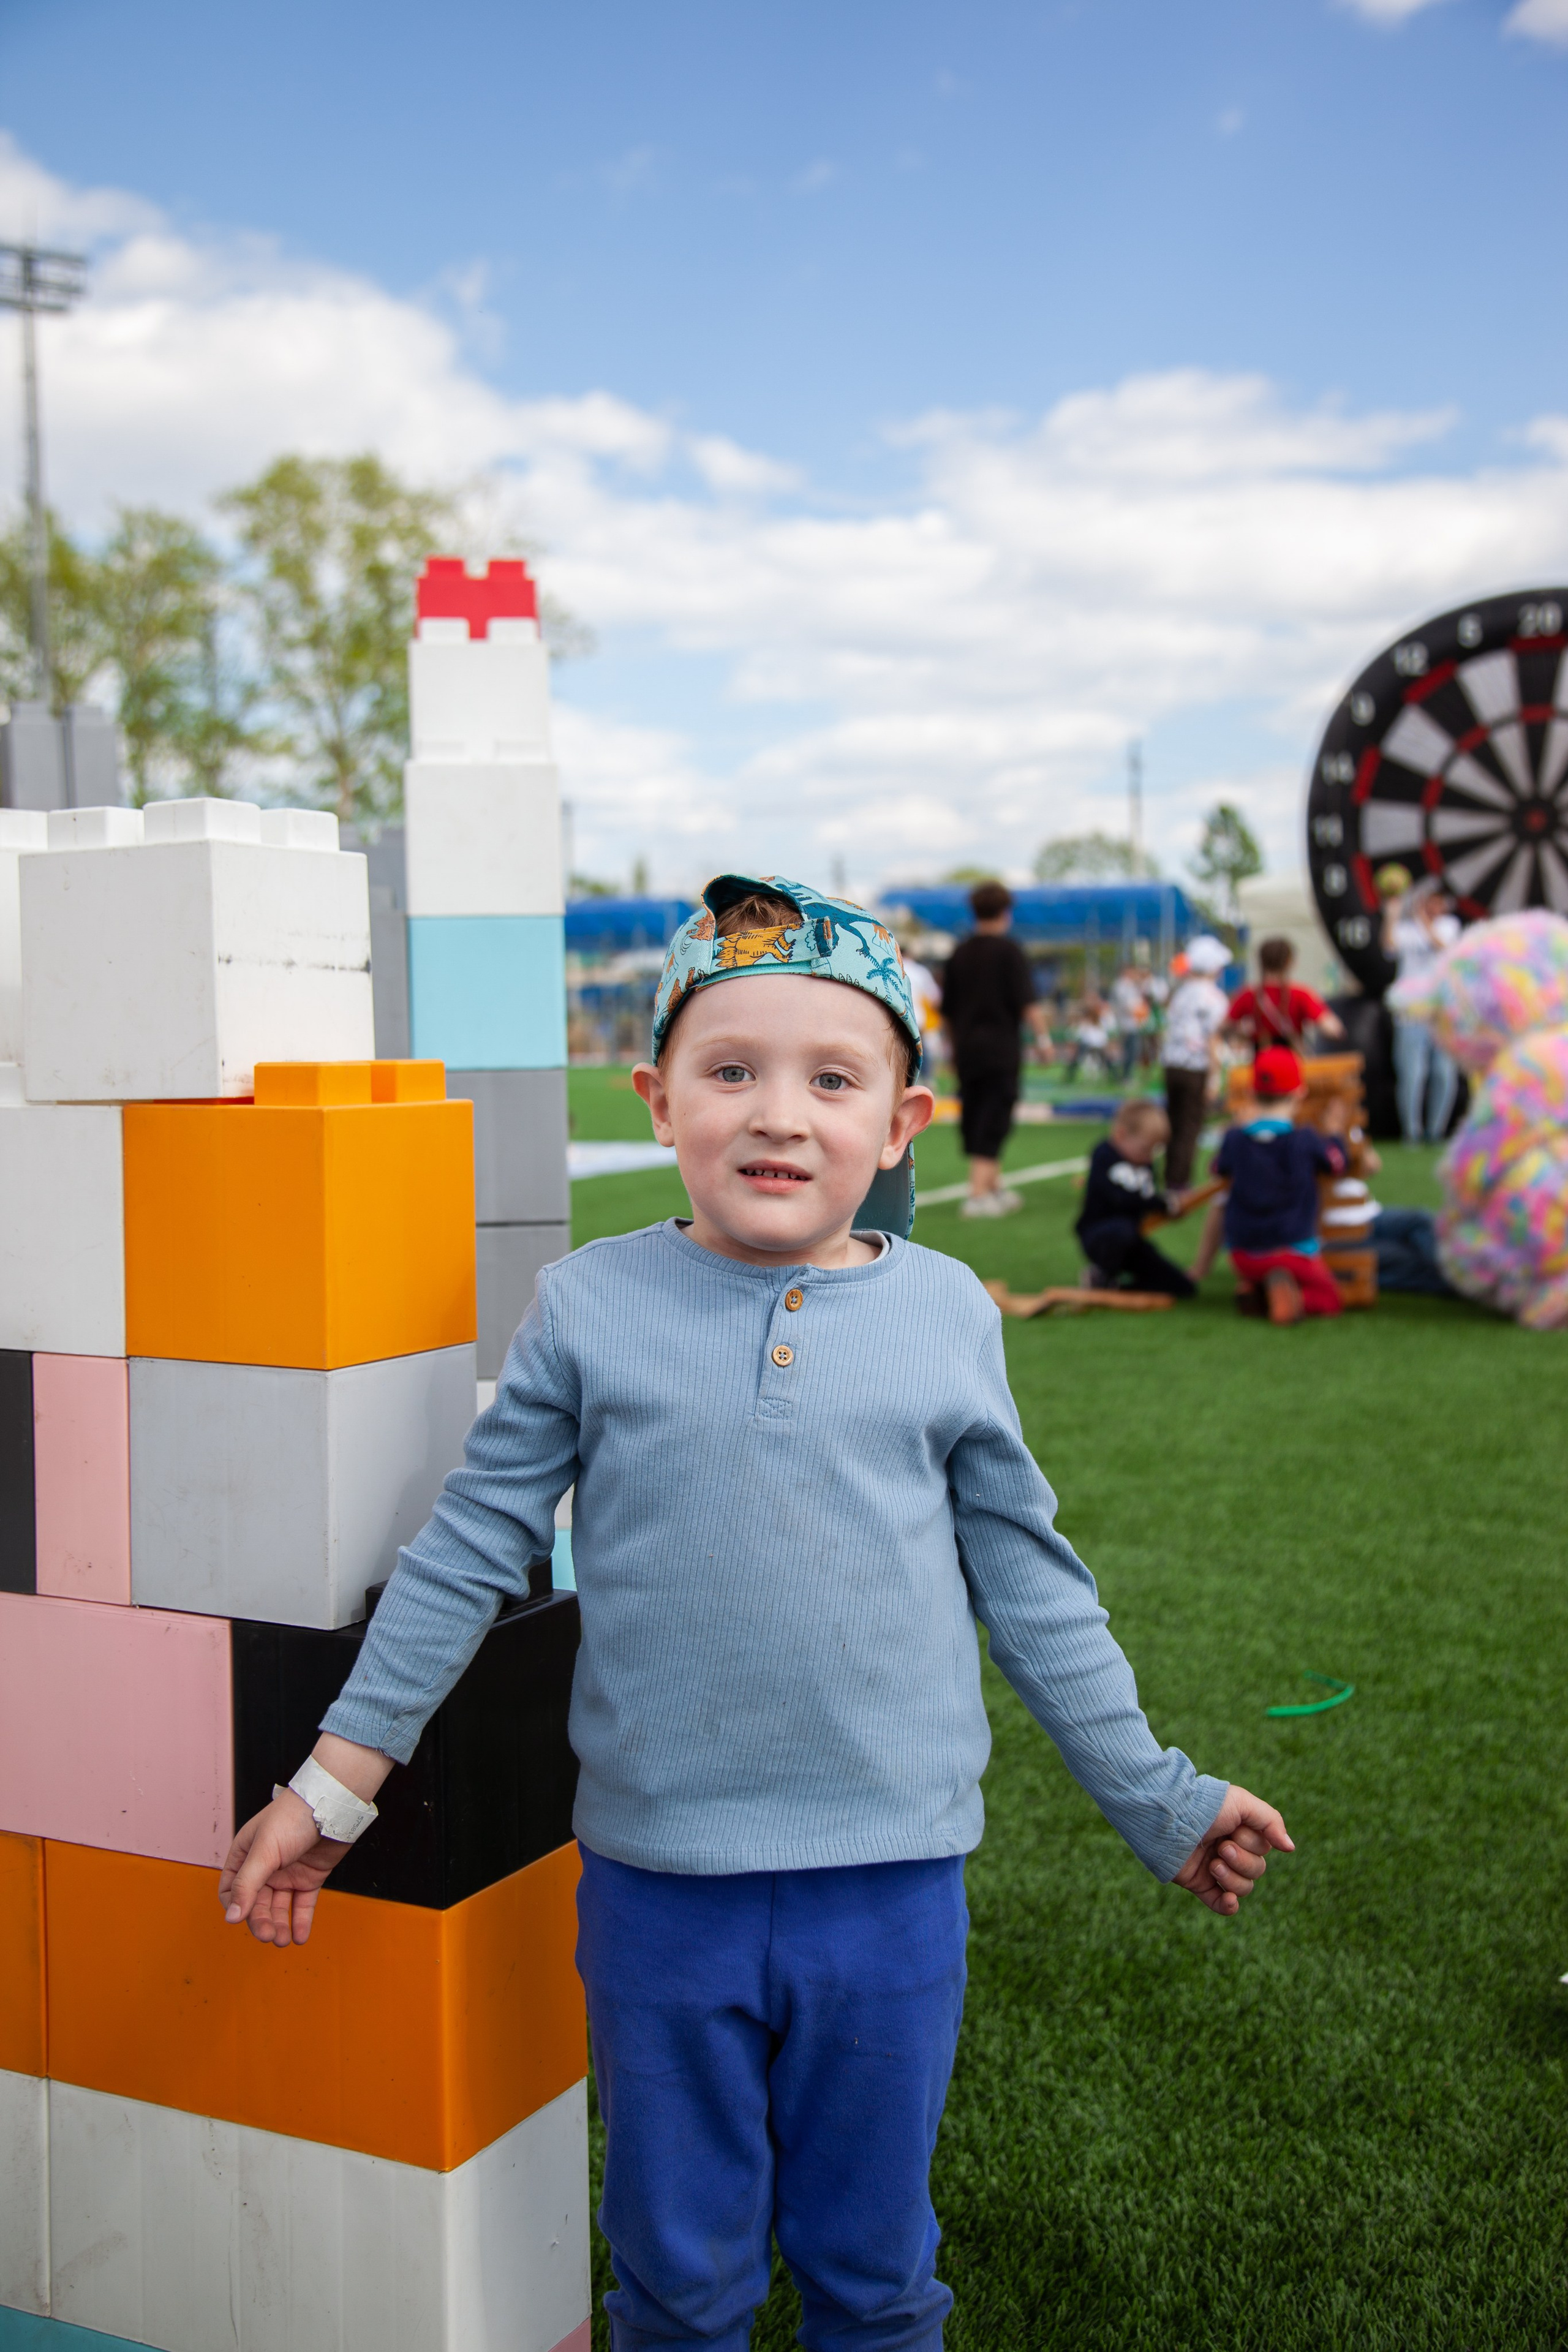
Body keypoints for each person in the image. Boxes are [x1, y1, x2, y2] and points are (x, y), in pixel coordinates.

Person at [218, 870, 1293, 2352]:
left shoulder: (946, 1315)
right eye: (730, 1070)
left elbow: (1031, 1590)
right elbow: (471, 1545)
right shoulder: (590, 1302)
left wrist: (1158, 1798)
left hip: (892, 1890)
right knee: (675, 2275)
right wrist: (331, 1787)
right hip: (661, 1895)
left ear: (901, 1122)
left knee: (873, 2273)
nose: (778, 1114)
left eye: (830, 1077)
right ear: (659, 1099)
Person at [1213, 1046, 1349, 1325]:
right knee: (1330, 1299)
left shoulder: (1235, 1140)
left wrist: (1234, 1128)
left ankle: (1257, 1287)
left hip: (1243, 1255)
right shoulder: (1305, 1140)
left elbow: (1217, 1168)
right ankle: (1278, 1298)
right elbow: (1336, 1166)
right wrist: (1335, 1134)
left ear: (1252, 1094)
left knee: (1263, 1270)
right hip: (1292, 1252)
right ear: (1300, 1093)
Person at [940, 879, 1050, 1219]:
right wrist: (1044, 1041)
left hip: (967, 1050)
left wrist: (951, 1050)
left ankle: (993, 1187)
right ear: (1006, 912)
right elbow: (1028, 1004)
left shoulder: (959, 953)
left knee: (976, 1113)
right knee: (995, 1115)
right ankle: (977, 1193)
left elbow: (947, 1012)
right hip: (1001, 1049)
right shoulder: (1010, 951)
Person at [1075, 1098, 1196, 1297]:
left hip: (1131, 1241)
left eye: (1154, 1151)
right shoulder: (1104, 1155)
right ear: (1121, 1135)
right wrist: (1164, 1204)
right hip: (1100, 1236)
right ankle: (1101, 1274)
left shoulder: (1144, 1163)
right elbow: (1122, 1199)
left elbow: (1146, 1200)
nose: (1149, 1157)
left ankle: (1117, 1289)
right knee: (1122, 1229)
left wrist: (1169, 1208)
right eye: (1145, 1149)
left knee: (1182, 1287)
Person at [1382, 882, 1461, 1143]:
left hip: (1440, 1012)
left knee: (1444, 1074)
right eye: (1430, 901)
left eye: (1438, 901)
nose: (1434, 907)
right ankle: (1412, 1134)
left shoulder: (1450, 926)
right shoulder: (1407, 929)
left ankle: (1436, 1132)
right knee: (1412, 1074)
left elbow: (1444, 948)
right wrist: (1393, 913)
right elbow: (1389, 946)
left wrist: (1421, 920)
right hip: (1411, 1013)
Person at [1161, 935, 1232, 1192]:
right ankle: (1179, 1183)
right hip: (1196, 1068)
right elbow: (1213, 1039)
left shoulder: (1181, 994)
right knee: (1190, 1127)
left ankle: (1170, 1175)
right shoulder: (1215, 998)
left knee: (1174, 1123)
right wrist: (1215, 1078)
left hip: (1172, 1065)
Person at [1225, 937, 1344, 1056]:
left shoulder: (1248, 995)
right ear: (1289, 962)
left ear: (1261, 962)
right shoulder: (1300, 994)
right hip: (1292, 1064)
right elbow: (1334, 1029)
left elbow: (1224, 1027)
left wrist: (1244, 1033)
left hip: (1261, 1064)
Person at [1109, 964, 1150, 1078]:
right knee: (1127, 1052)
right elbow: (1126, 1006)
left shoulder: (1131, 985)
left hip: (1133, 1023)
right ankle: (1124, 1076)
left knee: (1132, 1051)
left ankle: (1126, 1075)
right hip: (1125, 1024)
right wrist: (1139, 1012)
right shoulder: (1121, 985)